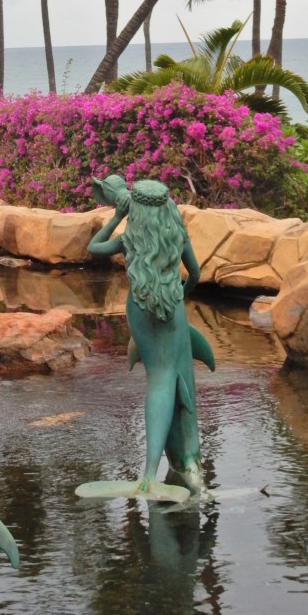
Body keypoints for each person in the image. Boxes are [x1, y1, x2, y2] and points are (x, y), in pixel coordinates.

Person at [88, 177, 211, 495]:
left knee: (159, 379)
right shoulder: (177, 236)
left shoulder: (128, 239)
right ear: (167, 206)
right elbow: (195, 274)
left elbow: (93, 248)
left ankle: (149, 475)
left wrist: (117, 216)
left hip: (141, 310)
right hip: (173, 308)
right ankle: (188, 462)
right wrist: (181, 294)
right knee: (175, 376)